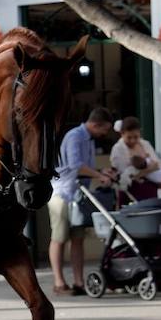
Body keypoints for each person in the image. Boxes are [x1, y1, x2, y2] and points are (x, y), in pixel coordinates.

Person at [49, 107, 116, 296]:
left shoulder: (89, 140)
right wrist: (99, 175)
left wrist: (103, 173)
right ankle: (59, 282)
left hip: (78, 194)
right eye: (104, 129)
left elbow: (87, 167)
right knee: (59, 237)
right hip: (62, 193)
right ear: (95, 124)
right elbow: (76, 165)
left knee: (78, 238)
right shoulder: (75, 136)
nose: (105, 133)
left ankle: (79, 281)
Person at [110, 116, 161, 201]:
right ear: (122, 134)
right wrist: (147, 170)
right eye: (129, 137)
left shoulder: (145, 144)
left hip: (150, 189)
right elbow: (124, 175)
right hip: (130, 191)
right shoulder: (118, 149)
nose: (133, 140)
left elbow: (157, 164)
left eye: (136, 137)